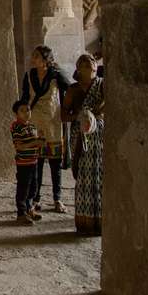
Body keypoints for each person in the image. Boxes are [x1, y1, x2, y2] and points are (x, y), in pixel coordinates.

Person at [20, 45, 72, 213]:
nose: (32, 58)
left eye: (36, 56)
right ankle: (36, 198)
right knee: (38, 162)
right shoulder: (30, 75)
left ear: (45, 60)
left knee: (55, 164)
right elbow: (25, 97)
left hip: (53, 123)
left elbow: (69, 88)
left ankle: (57, 199)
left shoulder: (55, 75)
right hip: (35, 122)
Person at [63, 53, 105, 235]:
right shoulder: (73, 90)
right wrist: (80, 117)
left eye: (92, 63)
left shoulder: (102, 86)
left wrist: (95, 114)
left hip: (100, 134)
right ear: (78, 70)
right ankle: (85, 221)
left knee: (100, 175)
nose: (90, 66)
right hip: (80, 135)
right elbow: (63, 115)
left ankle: (102, 220)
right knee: (84, 176)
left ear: (96, 68)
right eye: (85, 64)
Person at [11, 99, 43, 225]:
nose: (26, 113)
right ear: (16, 114)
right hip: (23, 164)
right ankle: (21, 214)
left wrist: (40, 138)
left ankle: (30, 209)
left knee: (33, 188)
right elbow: (19, 146)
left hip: (33, 162)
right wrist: (35, 142)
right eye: (22, 111)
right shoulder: (16, 127)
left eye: (28, 110)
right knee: (23, 188)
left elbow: (36, 143)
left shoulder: (31, 126)